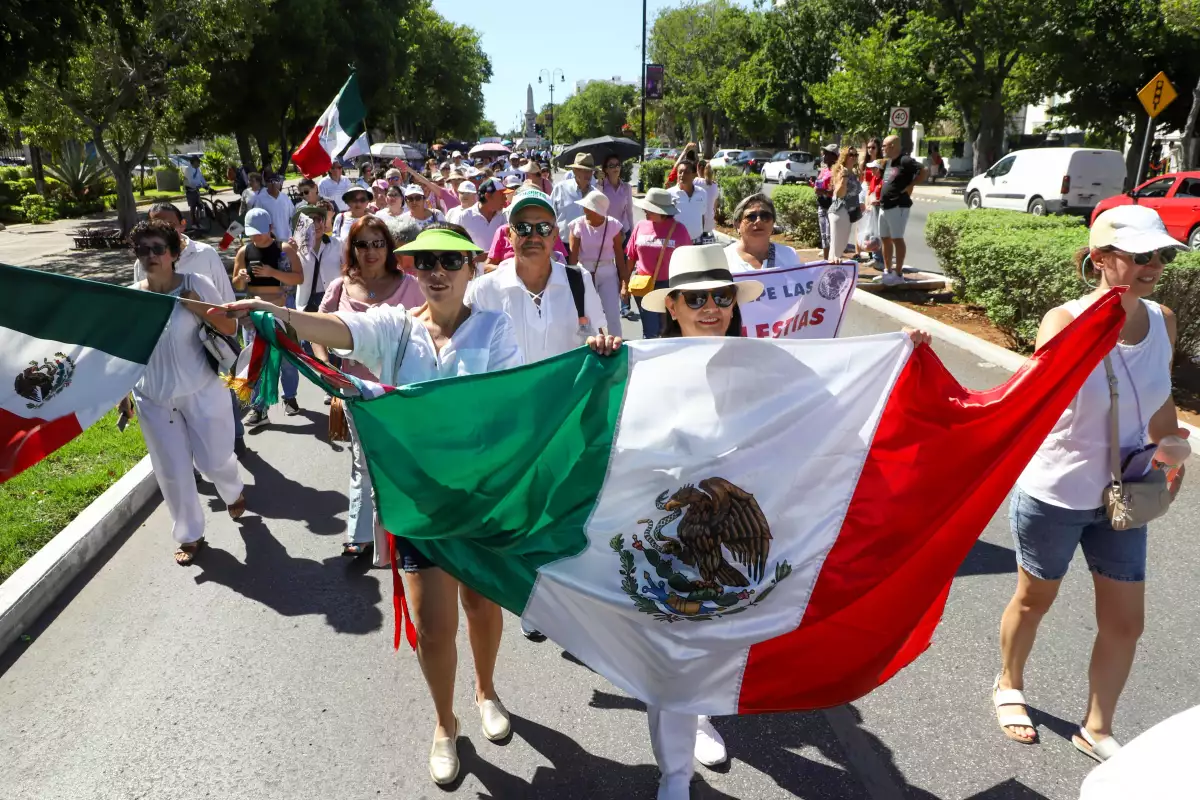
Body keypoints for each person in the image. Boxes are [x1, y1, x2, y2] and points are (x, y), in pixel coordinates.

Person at [220, 226, 520, 786]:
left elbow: (507, 400)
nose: (437, 270)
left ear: (471, 267)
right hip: (416, 501)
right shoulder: (396, 329)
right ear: (413, 269)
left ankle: (486, 690)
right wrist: (273, 311)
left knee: (481, 607)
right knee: (433, 628)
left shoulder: (497, 330)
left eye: (449, 260)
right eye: (425, 260)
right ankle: (444, 722)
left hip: (480, 501)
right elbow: (339, 328)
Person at [993, 205, 1187, 762]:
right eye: (1139, 255)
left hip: (1127, 493)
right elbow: (1028, 405)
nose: (1153, 265)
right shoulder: (1064, 321)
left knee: (1127, 620)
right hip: (1057, 491)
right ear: (1100, 259)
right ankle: (1009, 683)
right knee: (1034, 601)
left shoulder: (1163, 320)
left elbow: (1158, 395)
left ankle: (1097, 728)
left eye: (1160, 254)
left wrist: (1172, 448)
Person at [125, 219, 245, 565]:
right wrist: (123, 394)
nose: (151, 255)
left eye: (158, 249)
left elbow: (231, 326)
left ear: (174, 253)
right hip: (154, 396)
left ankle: (233, 489)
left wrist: (197, 307)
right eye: (143, 249)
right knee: (172, 470)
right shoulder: (131, 297)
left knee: (214, 460)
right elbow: (126, 350)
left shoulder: (197, 284)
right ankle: (190, 535)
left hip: (202, 389)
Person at [310, 216, 426, 557]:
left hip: (402, 389)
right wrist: (325, 367)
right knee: (362, 459)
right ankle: (361, 534)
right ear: (353, 249)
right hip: (356, 390)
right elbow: (319, 325)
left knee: (404, 457)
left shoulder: (411, 284)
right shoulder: (340, 287)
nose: (371, 251)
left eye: (378, 243)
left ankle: (408, 524)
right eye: (363, 244)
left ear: (388, 247)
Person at [133, 202, 247, 457]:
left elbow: (226, 302)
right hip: (169, 362)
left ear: (181, 225)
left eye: (168, 223)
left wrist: (202, 307)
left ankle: (234, 438)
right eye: (155, 223)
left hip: (210, 345)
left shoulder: (204, 253)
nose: (161, 228)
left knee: (221, 396)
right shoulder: (143, 263)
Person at [468, 189, 604, 363]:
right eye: (523, 228)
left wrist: (602, 345)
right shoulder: (482, 289)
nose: (534, 236)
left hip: (566, 389)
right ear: (509, 235)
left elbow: (596, 338)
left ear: (555, 235)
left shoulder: (579, 280)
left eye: (543, 228)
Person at [231, 208, 303, 426]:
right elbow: (236, 282)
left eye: (260, 232)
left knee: (287, 359)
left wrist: (273, 273)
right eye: (252, 233)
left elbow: (299, 277)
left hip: (282, 308)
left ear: (270, 228)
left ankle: (289, 396)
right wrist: (241, 278)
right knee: (256, 358)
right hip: (255, 313)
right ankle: (258, 407)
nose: (256, 237)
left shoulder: (284, 249)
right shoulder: (244, 251)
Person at [625, 188, 684, 339]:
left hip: (669, 287)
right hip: (643, 285)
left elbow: (687, 262)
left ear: (663, 211)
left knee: (667, 332)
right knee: (650, 331)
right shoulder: (640, 226)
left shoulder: (679, 230)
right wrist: (624, 285)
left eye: (650, 208)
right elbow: (631, 257)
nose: (645, 210)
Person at [567, 190, 628, 334]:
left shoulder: (613, 225)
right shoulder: (577, 225)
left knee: (612, 314)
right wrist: (571, 284)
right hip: (585, 273)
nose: (584, 209)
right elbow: (573, 259)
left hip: (608, 272)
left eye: (588, 207)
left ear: (597, 211)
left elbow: (620, 256)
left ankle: (616, 346)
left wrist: (624, 282)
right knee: (590, 315)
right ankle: (597, 345)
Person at [878, 135, 927, 285]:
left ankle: (898, 274)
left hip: (898, 205)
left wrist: (910, 186)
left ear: (892, 146)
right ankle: (887, 271)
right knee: (885, 238)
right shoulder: (889, 162)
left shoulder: (905, 160)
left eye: (884, 146)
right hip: (884, 205)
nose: (882, 148)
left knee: (896, 238)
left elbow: (923, 170)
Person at [723, 193, 802, 273]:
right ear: (737, 224)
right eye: (751, 217)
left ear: (773, 223)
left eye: (765, 216)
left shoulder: (789, 255)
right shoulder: (723, 258)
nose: (759, 221)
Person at [550, 153, 599, 242]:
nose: (588, 174)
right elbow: (549, 216)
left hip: (587, 246)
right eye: (585, 170)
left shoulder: (596, 194)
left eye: (590, 171)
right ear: (575, 170)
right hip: (563, 244)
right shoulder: (560, 188)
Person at [458, 178, 508, 257]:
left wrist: (488, 256)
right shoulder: (464, 217)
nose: (505, 199)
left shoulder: (506, 215)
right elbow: (458, 247)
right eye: (502, 195)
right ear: (488, 196)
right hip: (474, 269)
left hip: (500, 268)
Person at [827, 146, 862, 261]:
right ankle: (829, 273)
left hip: (849, 213)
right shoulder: (841, 172)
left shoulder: (854, 173)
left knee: (841, 247)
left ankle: (831, 272)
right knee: (836, 249)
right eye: (850, 155)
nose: (853, 157)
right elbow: (839, 194)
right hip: (839, 211)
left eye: (855, 155)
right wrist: (844, 178)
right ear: (844, 157)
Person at [667, 159, 708, 244]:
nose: (682, 175)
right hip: (676, 241)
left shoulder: (702, 193)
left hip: (697, 241)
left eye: (686, 172)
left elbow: (702, 216)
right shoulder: (669, 194)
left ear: (694, 175)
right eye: (680, 172)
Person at [814, 143, 838, 260]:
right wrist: (817, 189)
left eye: (827, 154)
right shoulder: (823, 170)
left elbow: (837, 190)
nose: (824, 157)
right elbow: (817, 186)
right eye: (824, 154)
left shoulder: (838, 171)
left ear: (834, 156)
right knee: (824, 236)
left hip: (832, 207)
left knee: (830, 236)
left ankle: (832, 260)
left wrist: (824, 191)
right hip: (822, 206)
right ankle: (825, 262)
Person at [258, 173, 294, 243]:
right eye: (270, 181)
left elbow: (293, 216)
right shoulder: (260, 199)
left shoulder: (285, 198)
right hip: (270, 240)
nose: (273, 184)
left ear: (280, 183)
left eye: (276, 181)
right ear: (266, 184)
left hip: (287, 239)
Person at [695, 160, 719, 241]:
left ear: (699, 168)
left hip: (698, 225)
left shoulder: (695, 181)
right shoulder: (715, 185)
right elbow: (714, 206)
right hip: (709, 225)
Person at [182, 155, 209, 229]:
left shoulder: (197, 169)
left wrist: (206, 185)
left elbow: (201, 178)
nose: (199, 164)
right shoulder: (188, 170)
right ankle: (193, 224)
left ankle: (199, 222)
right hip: (190, 189)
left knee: (200, 204)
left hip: (196, 189)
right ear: (193, 162)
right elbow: (190, 181)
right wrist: (198, 185)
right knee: (193, 207)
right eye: (198, 162)